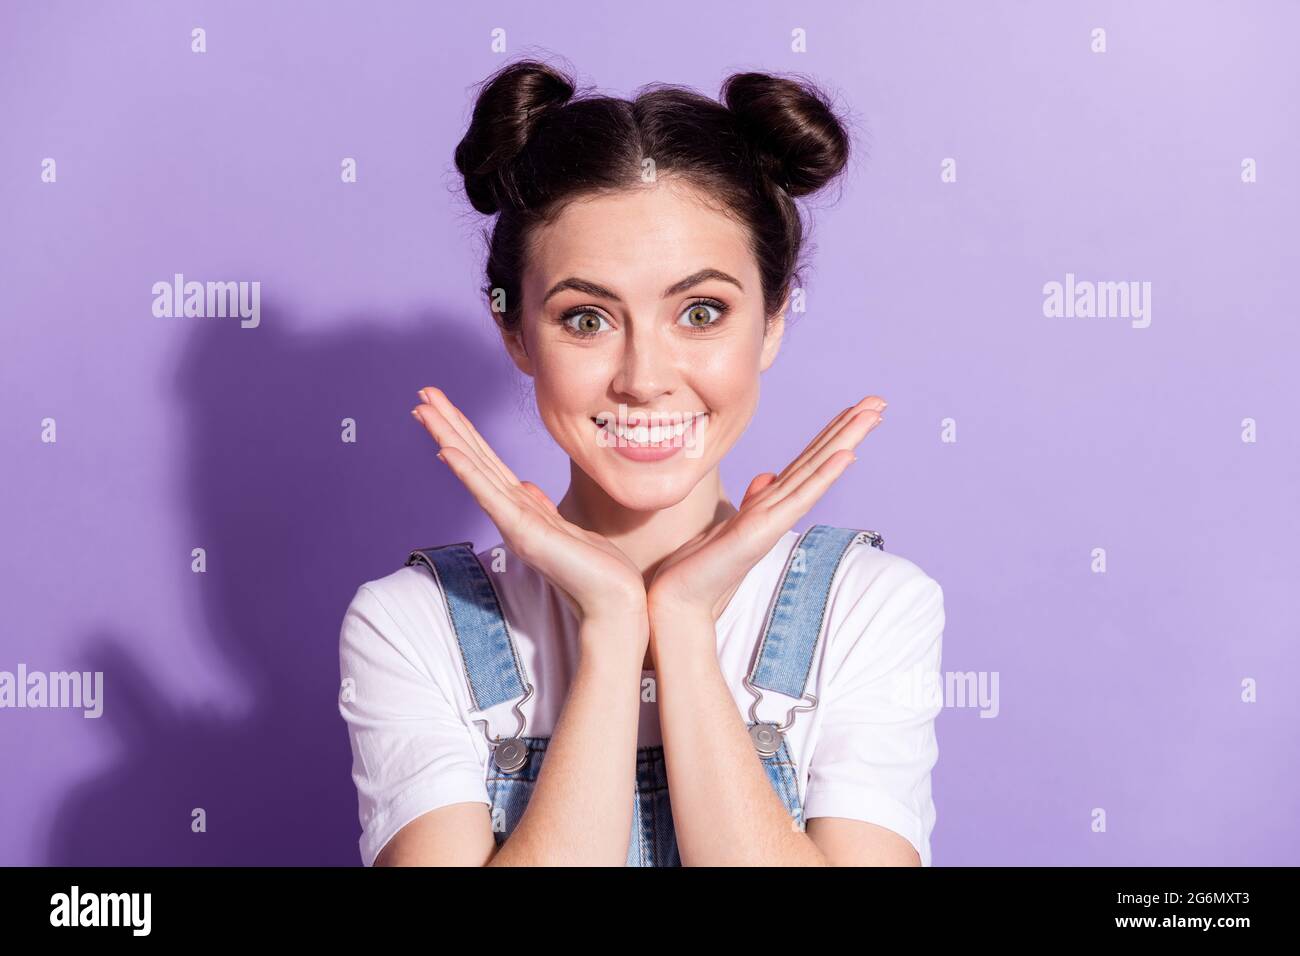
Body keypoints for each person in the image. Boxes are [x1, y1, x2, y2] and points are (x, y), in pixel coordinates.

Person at [338, 58, 945, 867]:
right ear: (515, 333)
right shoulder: (412, 626)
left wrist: (685, 627)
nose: (643, 378)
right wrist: (613, 625)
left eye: (701, 312)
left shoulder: (868, 608)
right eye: (586, 319)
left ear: (772, 320)